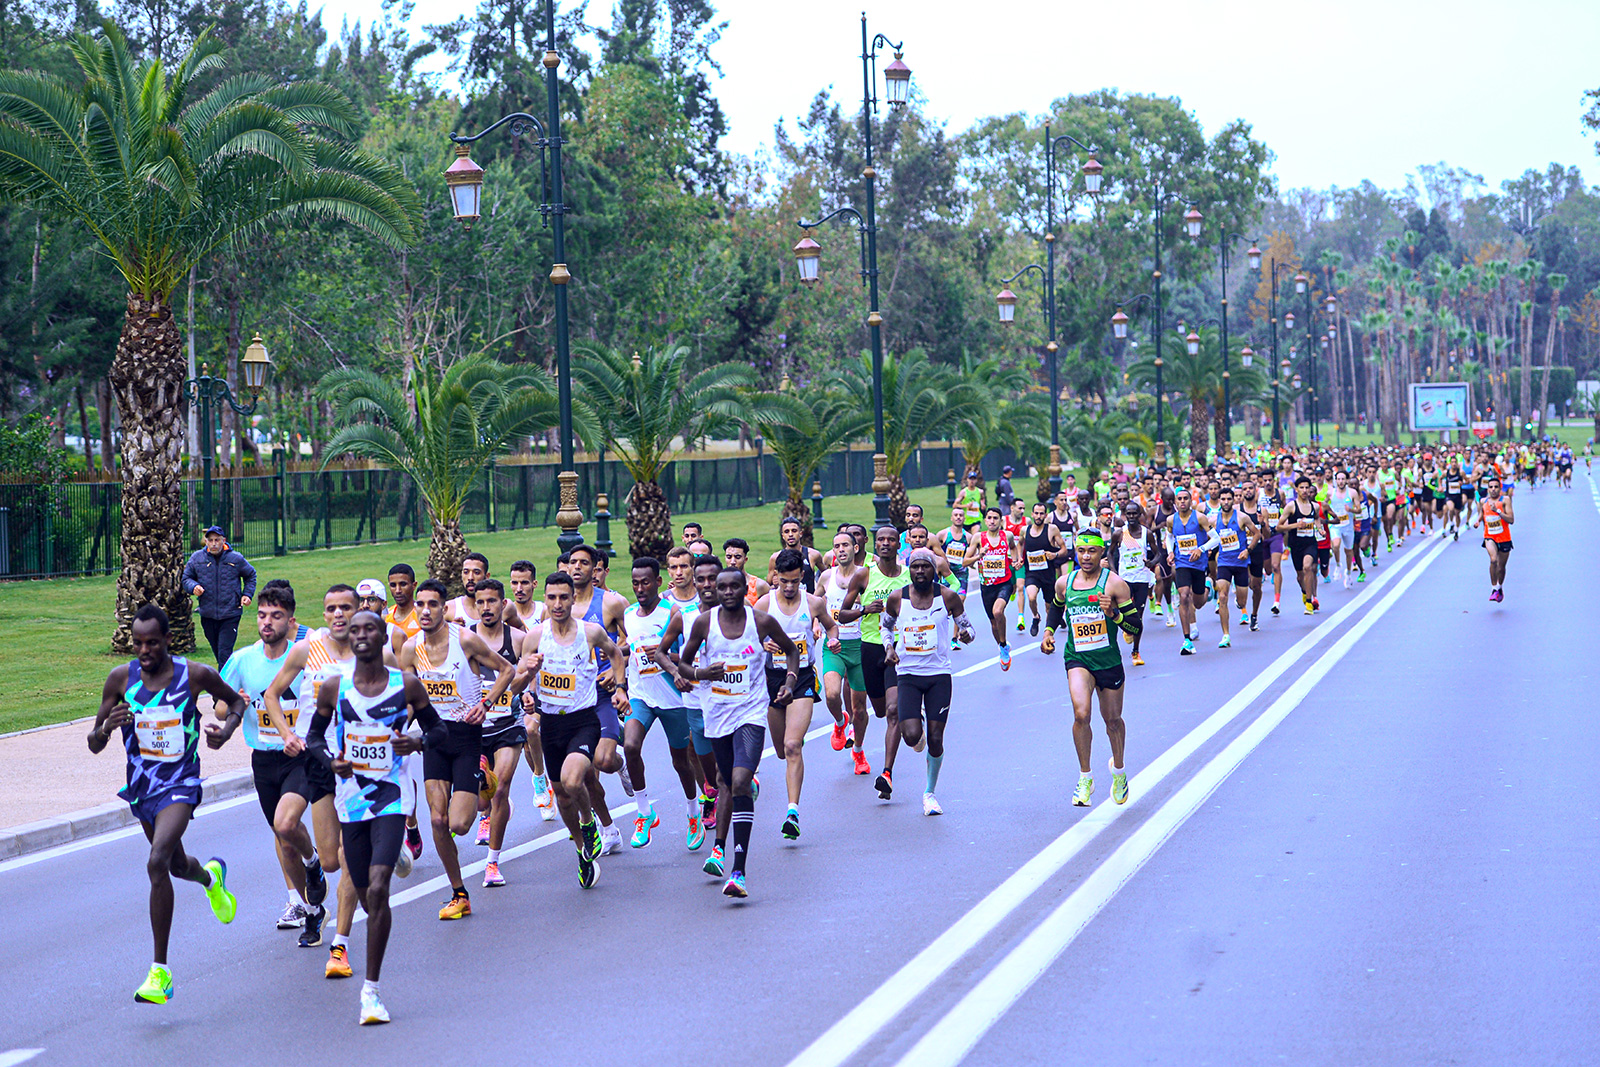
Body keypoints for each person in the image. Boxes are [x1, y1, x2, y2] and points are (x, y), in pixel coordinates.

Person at [88, 603, 245, 1004]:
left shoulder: (193, 675)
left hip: (181, 782)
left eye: (152, 643)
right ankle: (211, 879)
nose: (144, 650)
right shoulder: (120, 678)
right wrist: (107, 726)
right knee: (175, 866)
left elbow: (237, 703)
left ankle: (160, 973)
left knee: (157, 862)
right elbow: (93, 743)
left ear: (167, 641)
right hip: (142, 788)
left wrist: (224, 732)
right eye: (137, 643)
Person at [305, 610, 443, 1025]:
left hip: (392, 797)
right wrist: (331, 762)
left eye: (371, 629)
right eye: (356, 629)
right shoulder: (335, 686)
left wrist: (416, 740)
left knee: (379, 889)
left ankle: (372, 992)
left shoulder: (406, 686)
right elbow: (313, 737)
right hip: (351, 800)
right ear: (348, 636)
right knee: (366, 894)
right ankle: (393, 856)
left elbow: (440, 731)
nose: (362, 635)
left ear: (384, 636)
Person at [672, 568, 799, 898]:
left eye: (734, 586)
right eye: (722, 587)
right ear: (715, 589)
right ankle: (719, 848)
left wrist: (788, 682)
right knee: (724, 781)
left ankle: (739, 870)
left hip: (751, 712)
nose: (727, 592)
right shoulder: (704, 623)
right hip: (717, 712)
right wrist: (702, 672)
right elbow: (683, 664)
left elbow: (792, 651)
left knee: (741, 781)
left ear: (746, 589)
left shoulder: (761, 621)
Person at [217, 582, 333, 934]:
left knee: (286, 823)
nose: (267, 622)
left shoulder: (305, 653)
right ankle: (311, 908)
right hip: (263, 759)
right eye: (262, 615)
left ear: (291, 621)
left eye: (276, 616)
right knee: (284, 838)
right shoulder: (243, 660)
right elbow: (221, 709)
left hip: (299, 756)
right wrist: (232, 701)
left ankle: (313, 863)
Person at [262, 584, 364, 972]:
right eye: (331, 609)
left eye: (346, 608)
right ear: (323, 615)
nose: (338, 615)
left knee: (351, 850)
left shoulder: (372, 650)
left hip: (360, 760)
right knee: (332, 860)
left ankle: (341, 941)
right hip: (317, 758)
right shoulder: (308, 650)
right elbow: (272, 694)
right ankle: (324, 868)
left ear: (358, 612)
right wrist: (288, 735)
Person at [398, 579, 514, 919]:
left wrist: (487, 702)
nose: (425, 610)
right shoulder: (409, 648)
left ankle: (482, 778)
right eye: (420, 604)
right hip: (434, 735)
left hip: (467, 738)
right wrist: (396, 732)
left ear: (444, 608)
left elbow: (506, 669)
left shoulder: (464, 640)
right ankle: (458, 893)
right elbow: (408, 698)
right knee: (437, 818)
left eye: (432, 604)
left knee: (460, 824)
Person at [519, 572, 628, 887]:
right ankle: (583, 850)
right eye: (551, 597)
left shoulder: (590, 632)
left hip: (583, 720)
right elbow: (519, 680)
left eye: (563, 597)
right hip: (551, 723)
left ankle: (588, 821)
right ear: (546, 599)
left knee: (571, 780)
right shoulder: (535, 637)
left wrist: (620, 687)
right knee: (563, 797)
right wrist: (526, 688)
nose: (557, 604)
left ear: (572, 599)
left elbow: (616, 653)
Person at [1042, 530, 1137, 808]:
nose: (1086, 556)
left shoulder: (1116, 585)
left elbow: (1135, 626)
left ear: (1102, 553)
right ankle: (1085, 777)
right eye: (1081, 551)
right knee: (1081, 713)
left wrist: (1115, 614)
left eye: (1092, 551)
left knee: (1113, 721)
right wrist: (1048, 631)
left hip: (1108, 661)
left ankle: (1118, 771)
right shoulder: (1065, 583)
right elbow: (1056, 608)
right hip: (1078, 658)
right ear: (1075, 552)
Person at [619, 557, 706, 850]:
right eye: (635, 583)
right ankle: (644, 812)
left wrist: (669, 660)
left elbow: (688, 654)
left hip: (674, 698)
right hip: (641, 694)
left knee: (682, 762)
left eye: (645, 582)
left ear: (658, 582)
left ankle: (693, 811)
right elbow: (629, 648)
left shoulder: (674, 612)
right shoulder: (629, 613)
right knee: (630, 745)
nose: (639, 588)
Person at [881, 548, 974, 816]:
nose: (920, 571)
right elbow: (886, 627)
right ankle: (916, 723)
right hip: (908, 675)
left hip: (938, 676)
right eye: (915, 567)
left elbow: (968, 628)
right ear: (909, 569)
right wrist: (889, 648)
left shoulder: (947, 597)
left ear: (934, 570)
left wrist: (966, 635)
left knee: (935, 738)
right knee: (912, 736)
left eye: (925, 567)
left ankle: (929, 793)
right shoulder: (898, 598)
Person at [757, 548, 841, 839]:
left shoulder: (814, 603)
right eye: (783, 581)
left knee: (793, 746)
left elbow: (832, 628)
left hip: (803, 677)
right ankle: (794, 732)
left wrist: (832, 641)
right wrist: (761, 645)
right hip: (772, 679)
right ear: (775, 578)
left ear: (802, 577)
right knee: (781, 750)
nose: (789, 587)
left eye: (794, 581)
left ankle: (792, 811)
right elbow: (749, 637)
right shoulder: (765, 603)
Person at [469, 579, 529, 885]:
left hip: (509, 724)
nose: (486, 608)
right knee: (482, 802)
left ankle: (492, 863)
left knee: (502, 786)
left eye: (492, 601)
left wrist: (529, 692)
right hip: (476, 727)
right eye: (480, 602)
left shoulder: (517, 638)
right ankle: (494, 806)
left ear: (503, 604)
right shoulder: (466, 639)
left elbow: (532, 672)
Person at [841, 526, 908, 798]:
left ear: (897, 545)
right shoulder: (864, 575)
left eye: (891, 539)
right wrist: (863, 609)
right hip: (869, 648)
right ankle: (907, 717)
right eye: (881, 539)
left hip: (900, 651)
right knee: (880, 711)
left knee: (893, 711)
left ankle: (887, 774)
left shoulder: (908, 575)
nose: (885, 543)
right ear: (875, 544)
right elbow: (841, 615)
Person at [819, 530, 871, 774]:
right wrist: (814, 627)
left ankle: (859, 751)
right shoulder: (826, 577)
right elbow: (814, 604)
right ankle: (840, 722)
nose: (840, 550)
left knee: (860, 709)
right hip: (834, 646)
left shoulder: (867, 577)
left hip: (861, 646)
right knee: (831, 695)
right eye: (836, 546)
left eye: (845, 545)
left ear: (855, 548)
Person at [181, 524, 257, 667]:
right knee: (218, 652)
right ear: (206, 541)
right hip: (208, 613)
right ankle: (231, 678)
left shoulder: (236, 558)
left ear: (224, 540)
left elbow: (250, 575)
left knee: (224, 652)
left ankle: (223, 686)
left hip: (230, 613)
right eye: (210, 540)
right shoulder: (197, 558)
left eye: (217, 540)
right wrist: (193, 587)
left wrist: (247, 594)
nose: (214, 544)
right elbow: (186, 578)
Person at [962, 506, 1021, 670]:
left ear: (1000, 520)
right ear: (985, 520)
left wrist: (1016, 560)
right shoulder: (978, 538)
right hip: (987, 586)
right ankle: (1002, 645)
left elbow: (1014, 547)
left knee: (998, 611)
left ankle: (1003, 647)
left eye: (996, 518)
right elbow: (965, 562)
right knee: (994, 623)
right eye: (989, 518)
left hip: (1005, 583)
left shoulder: (1006, 535)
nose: (992, 521)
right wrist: (979, 556)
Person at [1167, 484, 1220, 654]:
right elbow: (1169, 537)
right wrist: (1170, 552)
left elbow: (1216, 539)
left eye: (1185, 499)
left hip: (1198, 564)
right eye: (1179, 499)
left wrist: (1201, 549)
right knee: (1183, 596)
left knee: (1197, 602)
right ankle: (1187, 640)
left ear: (1191, 500)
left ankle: (1208, 586)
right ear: (1175, 502)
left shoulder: (1200, 518)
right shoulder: (1171, 520)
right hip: (1182, 563)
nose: (1182, 502)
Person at [1209, 487, 1259, 649]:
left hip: (1240, 563)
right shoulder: (1212, 520)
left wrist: (1248, 550)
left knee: (1242, 600)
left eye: (1228, 499)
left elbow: (1257, 534)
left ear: (1233, 500)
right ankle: (1225, 635)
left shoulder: (1242, 518)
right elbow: (1202, 534)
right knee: (1222, 596)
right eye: (1222, 499)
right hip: (1223, 563)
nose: (1225, 502)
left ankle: (1240, 603)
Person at [1117, 502, 1157, 666]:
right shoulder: (1120, 533)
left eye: (1135, 513)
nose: (1132, 517)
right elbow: (1110, 553)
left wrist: (1151, 562)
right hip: (1125, 579)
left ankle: (1135, 651)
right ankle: (1126, 628)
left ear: (1140, 515)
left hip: (1141, 579)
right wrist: (1114, 573)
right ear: (1125, 515)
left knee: (1138, 618)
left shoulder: (1146, 533)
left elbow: (1158, 554)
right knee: (1126, 613)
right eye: (1129, 514)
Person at [1022, 501, 1069, 636]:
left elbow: (1064, 549)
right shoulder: (1025, 530)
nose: (1038, 516)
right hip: (1032, 573)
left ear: (1045, 515)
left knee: (1050, 608)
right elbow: (1020, 544)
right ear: (1032, 514)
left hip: (1048, 574)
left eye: (1041, 513)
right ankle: (1036, 617)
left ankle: (1049, 636)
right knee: (1031, 597)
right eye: (1036, 513)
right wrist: (1019, 558)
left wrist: (1055, 555)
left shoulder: (1052, 529)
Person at [1279, 475, 1322, 615]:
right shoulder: (1291, 506)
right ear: (1296, 489)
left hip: (1310, 543)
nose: (1304, 490)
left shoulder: (1314, 506)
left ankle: (1309, 603)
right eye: (1301, 488)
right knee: (1299, 576)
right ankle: (1305, 591)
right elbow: (1279, 527)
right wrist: (1295, 525)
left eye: (1306, 488)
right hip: (1296, 544)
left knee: (1307, 567)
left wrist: (1320, 529)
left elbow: (1316, 519)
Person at [767, 517, 826, 592]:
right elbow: (767, 586)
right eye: (787, 531)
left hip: (808, 601)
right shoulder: (775, 558)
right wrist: (775, 585)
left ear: (800, 533)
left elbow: (827, 577)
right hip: (785, 602)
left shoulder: (813, 555)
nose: (790, 534)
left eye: (794, 531)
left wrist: (819, 592)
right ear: (783, 536)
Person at [1480, 477, 1515, 601]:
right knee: (1493, 560)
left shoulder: (1505, 500)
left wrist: (1498, 511)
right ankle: (1494, 588)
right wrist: (1478, 522)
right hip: (1489, 536)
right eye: (1491, 487)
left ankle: (1500, 587)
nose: (1493, 489)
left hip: (1504, 537)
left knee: (1501, 567)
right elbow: (1482, 514)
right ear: (1488, 489)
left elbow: (1511, 520)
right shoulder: (1483, 501)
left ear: (1500, 488)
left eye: (1496, 487)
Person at [722, 537, 771, 605]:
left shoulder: (759, 585)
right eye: (729, 557)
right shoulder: (718, 584)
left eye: (737, 557)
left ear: (745, 559)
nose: (733, 561)